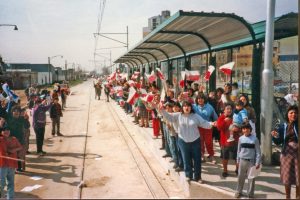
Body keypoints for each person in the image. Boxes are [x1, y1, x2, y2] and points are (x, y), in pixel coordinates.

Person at [158, 101, 214, 183]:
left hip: (195, 141)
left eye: (188, 106)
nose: (186, 108)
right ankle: (188, 175)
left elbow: (204, 123)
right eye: (184, 106)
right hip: (183, 141)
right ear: (182, 108)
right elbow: (168, 117)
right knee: (186, 159)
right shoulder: (178, 115)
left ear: (191, 108)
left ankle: (198, 177)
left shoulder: (195, 116)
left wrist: (212, 124)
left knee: (197, 160)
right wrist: (162, 110)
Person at [271, 105, 299, 199]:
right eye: (291, 113)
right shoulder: (283, 126)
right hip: (286, 154)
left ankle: (298, 196)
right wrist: (274, 136)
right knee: (287, 177)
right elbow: (278, 141)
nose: (293, 114)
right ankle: (287, 197)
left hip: (298, 154)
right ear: (287, 115)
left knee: (298, 176)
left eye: (295, 113)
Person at [235, 122, 261, 199]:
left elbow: (258, 152)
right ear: (242, 130)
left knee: (251, 179)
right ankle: (238, 191)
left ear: (250, 129)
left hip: (251, 162)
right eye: (244, 128)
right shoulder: (240, 139)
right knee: (240, 177)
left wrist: (257, 162)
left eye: (247, 128)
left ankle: (250, 194)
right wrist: (237, 160)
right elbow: (238, 151)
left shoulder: (255, 139)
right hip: (242, 160)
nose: (246, 130)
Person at [192, 93, 218, 163]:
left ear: (204, 99)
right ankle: (202, 155)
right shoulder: (194, 106)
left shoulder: (209, 107)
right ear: (197, 100)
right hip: (198, 127)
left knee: (208, 142)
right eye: (199, 98)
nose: (200, 100)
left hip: (208, 127)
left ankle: (211, 155)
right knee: (200, 142)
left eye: (202, 98)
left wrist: (216, 123)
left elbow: (215, 117)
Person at [217, 103, 240, 177]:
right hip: (225, 142)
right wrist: (224, 121)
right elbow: (219, 127)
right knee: (225, 157)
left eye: (230, 109)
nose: (229, 110)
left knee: (237, 157)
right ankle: (225, 170)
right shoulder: (221, 117)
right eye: (227, 109)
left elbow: (241, 126)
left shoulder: (235, 117)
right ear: (224, 110)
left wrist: (237, 129)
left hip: (235, 141)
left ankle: (237, 170)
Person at [0, 127, 23, 199]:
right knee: (2, 183)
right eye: (4, 131)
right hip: (3, 164)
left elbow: (20, 147)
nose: (6, 132)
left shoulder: (14, 139)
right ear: (1, 132)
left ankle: (10, 198)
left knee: (11, 183)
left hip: (12, 164)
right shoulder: (1, 139)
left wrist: (13, 150)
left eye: (8, 131)